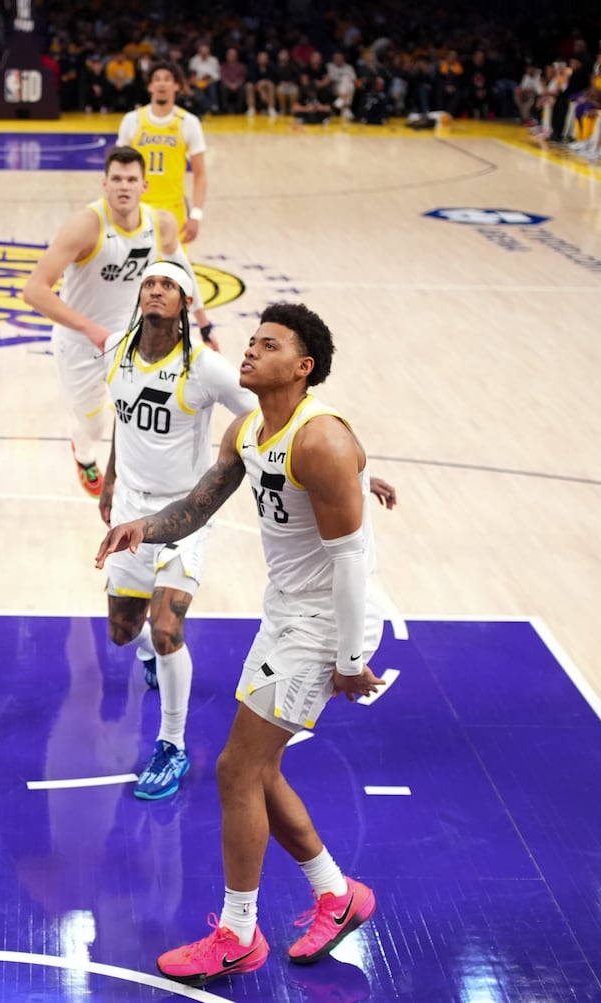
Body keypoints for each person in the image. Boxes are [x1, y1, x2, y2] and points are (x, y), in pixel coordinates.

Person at [95, 301, 396, 987]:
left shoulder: (320, 442)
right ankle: (336, 894)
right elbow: (199, 504)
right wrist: (143, 525)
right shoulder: (250, 428)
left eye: (270, 343)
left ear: (303, 365)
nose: (251, 350)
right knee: (258, 770)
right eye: (252, 339)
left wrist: (349, 660)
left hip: (326, 623)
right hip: (286, 612)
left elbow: (352, 563)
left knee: (235, 768)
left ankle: (238, 933)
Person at [94, 259, 259, 799]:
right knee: (125, 632)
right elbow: (124, 415)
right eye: (150, 284)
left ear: (185, 302)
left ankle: (172, 746)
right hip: (131, 512)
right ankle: (149, 656)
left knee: (167, 629)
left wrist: (237, 466)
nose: (157, 290)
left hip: (185, 515)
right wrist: (112, 478)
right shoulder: (116, 348)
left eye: (168, 285)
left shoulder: (206, 368)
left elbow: (260, 411)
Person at [23, 146, 217, 497]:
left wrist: (203, 322)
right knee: (94, 425)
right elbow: (34, 291)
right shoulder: (86, 226)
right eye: (116, 179)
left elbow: (183, 272)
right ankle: (82, 454)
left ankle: (142, 480)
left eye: (131, 179)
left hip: (133, 340)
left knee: (146, 411)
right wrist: (90, 329)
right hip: (81, 344)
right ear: (104, 184)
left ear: (144, 185)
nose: (123, 186)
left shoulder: (161, 223)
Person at [117, 62, 208, 245]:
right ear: (150, 86)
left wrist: (196, 215)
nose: (161, 84)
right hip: (137, 207)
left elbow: (200, 174)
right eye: (156, 80)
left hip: (173, 209)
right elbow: (118, 169)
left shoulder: (188, 122)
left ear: (177, 86)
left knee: (171, 272)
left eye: (167, 79)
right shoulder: (132, 120)